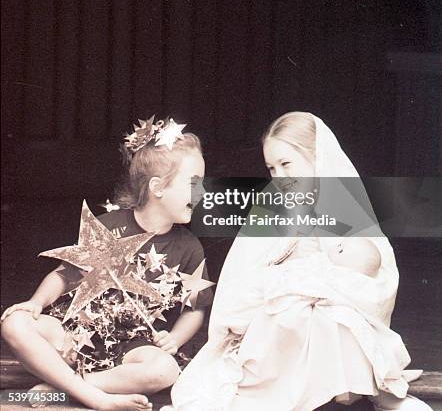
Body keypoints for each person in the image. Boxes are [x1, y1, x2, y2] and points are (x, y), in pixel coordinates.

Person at [163, 112, 430, 411]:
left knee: (336, 319)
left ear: (316, 157)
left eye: (287, 164)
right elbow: (245, 276)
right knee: (289, 316)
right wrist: (290, 278)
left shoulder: (342, 203)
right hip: (277, 317)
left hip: (327, 307)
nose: (280, 177)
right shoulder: (271, 205)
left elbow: (374, 274)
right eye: (271, 168)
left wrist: (324, 281)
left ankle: (341, 389)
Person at [1, 117, 212, 411]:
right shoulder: (109, 226)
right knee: (15, 322)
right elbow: (63, 275)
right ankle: (95, 398)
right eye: (194, 184)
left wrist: (174, 339)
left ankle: (66, 386)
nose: (202, 193)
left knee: (165, 370)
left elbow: (195, 309)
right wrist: (36, 303)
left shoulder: (190, 248)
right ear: (158, 188)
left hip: (132, 350)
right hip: (76, 336)